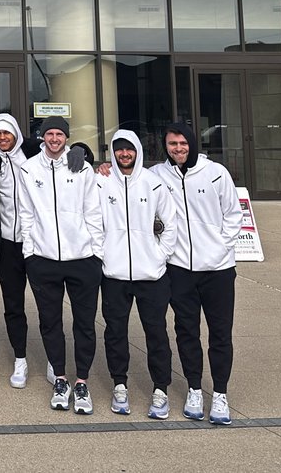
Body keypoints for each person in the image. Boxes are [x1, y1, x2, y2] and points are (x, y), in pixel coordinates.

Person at [151, 122, 243, 425]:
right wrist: (103, 167)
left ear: (192, 144)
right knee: (186, 331)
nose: (178, 149)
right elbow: (127, 181)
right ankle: (193, 388)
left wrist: (220, 248)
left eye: (183, 143)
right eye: (172, 144)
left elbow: (233, 214)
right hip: (179, 270)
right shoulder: (156, 175)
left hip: (218, 270)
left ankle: (220, 393)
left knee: (220, 333)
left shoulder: (215, 172)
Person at [17, 116, 104, 414]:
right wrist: (30, 253)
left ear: (67, 137)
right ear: (42, 137)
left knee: (84, 324)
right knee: (50, 322)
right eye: (49, 134)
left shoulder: (82, 167)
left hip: (83, 259)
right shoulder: (29, 169)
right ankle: (61, 379)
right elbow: (26, 213)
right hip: (43, 260)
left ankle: (82, 382)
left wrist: (96, 252)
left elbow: (93, 211)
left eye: (59, 134)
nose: (54, 139)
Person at [97, 129, 179, 419]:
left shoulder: (153, 183)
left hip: (151, 275)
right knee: (115, 332)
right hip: (114, 274)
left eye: (129, 148)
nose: (124, 154)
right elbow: (92, 221)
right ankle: (119, 385)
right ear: (113, 152)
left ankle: (160, 389)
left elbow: (171, 223)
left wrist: (159, 254)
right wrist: (103, 253)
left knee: (156, 333)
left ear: (137, 151)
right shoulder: (101, 181)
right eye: (119, 149)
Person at [0, 112, 32, 389]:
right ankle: (20, 359)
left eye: (7, 133)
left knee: (48, 307)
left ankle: (54, 361)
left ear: (16, 134)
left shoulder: (34, 154)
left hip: (36, 243)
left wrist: (83, 153)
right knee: (13, 305)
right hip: (6, 245)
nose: (2, 138)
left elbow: (61, 145)